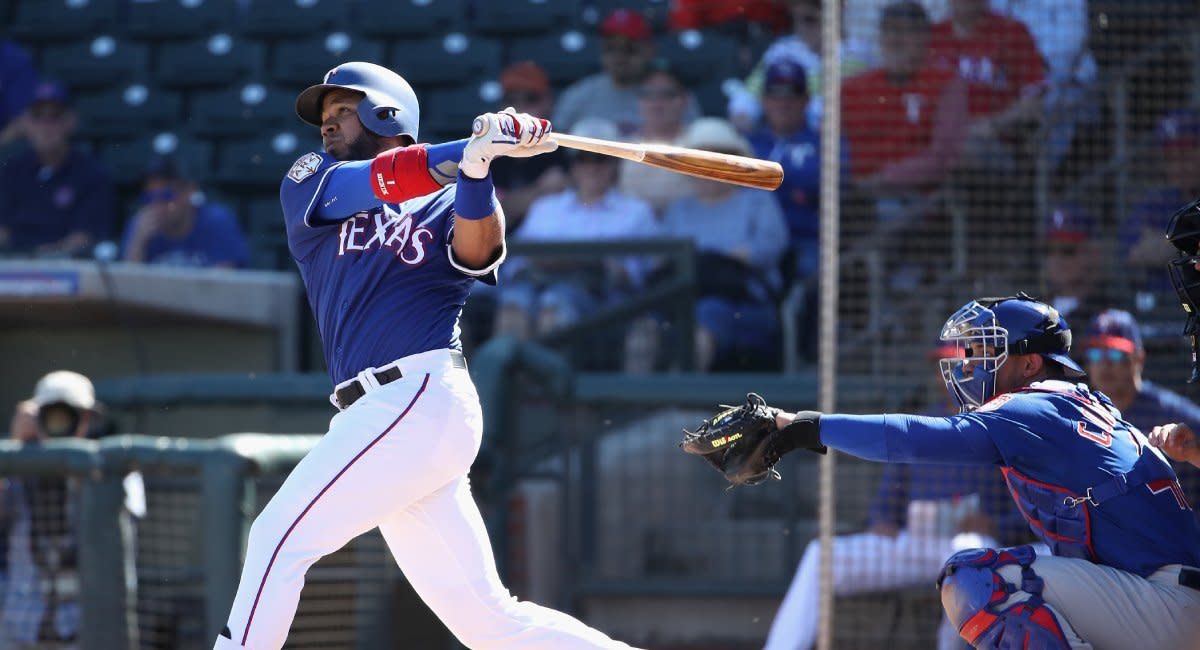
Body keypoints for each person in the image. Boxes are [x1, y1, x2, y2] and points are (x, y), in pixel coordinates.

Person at [211, 61, 640, 650]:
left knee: (275, 538)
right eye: (326, 116)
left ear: (386, 114)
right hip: (389, 415)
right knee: (490, 623)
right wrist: (472, 146)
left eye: (342, 111)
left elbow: (478, 251)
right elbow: (381, 180)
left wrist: (479, 167)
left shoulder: (449, 200)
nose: (328, 127)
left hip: (415, 394)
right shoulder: (311, 179)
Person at [750, 293, 1200, 649]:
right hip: (1161, 598)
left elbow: (911, 437)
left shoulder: (1033, 405)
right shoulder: (1081, 404)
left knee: (979, 579)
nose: (972, 364)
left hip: (1166, 605)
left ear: (1029, 363)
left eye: (989, 352)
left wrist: (804, 427)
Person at [763, 342, 1026, 650]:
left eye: (959, 366)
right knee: (820, 555)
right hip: (914, 546)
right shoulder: (922, 425)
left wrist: (996, 526)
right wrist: (882, 521)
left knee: (967, 553)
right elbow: (886, 502)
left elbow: (1030, 513)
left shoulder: (998, 426)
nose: (951, 376)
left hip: (971, 548)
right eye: (944, 368)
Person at [1, 371, 144, 650]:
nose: (59, 423)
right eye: (50, 414)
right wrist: (15, 450)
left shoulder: (111, 467)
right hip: (19, 627)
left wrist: (77, 470)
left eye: (71, 415)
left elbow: (121, 518)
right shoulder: (15, 463)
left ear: (89, 418)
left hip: (86, 629)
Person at [642, 118, 789, 372]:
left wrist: (731, 258)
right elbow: (658, 260)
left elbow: (770, 248)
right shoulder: (678, 209)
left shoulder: (757, 202)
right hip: (681, 297)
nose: (707, 168)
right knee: (644, 323)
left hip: (745, 302)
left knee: (707, 314)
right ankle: (633, 402)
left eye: (716, 159)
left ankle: (682, 399)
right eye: (698, 160)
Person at [494, 117, 658, 342]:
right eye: (583, 158)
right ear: (573, 165)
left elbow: (642, 275)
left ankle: (548, 377)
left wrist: (591, 264)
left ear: (615, 164)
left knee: (554, 305)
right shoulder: (545, 207)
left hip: (604, 302)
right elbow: (516, 263)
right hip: (536, 284)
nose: (592, 167)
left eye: (600, 158)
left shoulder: (637, 211)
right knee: (513, 304)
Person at [1082, 309, 1200, 515]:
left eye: (1115, 353)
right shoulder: (1081, 417)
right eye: (1096, 353)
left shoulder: (1178, 417)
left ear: (1138, 358)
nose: (1105, 364)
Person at [0, 80, 116, 258]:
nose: (45, 126)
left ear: (70, 122)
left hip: (68, 269)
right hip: (13, 266)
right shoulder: (11, 170)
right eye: (37, 116)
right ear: (25, 123)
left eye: (54, 117)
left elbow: (86, 237)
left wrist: (46, 256)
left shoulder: (92, 174)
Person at [553, 9, 700, 136]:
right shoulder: (580, 95)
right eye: (611, 48)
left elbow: (695, 141)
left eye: (629, 49)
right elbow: (558, 148)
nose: (619, 57)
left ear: (649, 50)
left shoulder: (672, 95)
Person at [1121, 109, 1200, 305]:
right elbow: (1135, 253)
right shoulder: (1157, 202)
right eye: (1170, 158)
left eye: (1185, 155)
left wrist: (1166, 241)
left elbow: (1155, 250)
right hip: (1165, 308)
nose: (1178, 166)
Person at [120, 153, 250, 268]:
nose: (157, 204)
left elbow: (224, 285)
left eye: (166, 195)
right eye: (149, 197)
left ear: (190, 192)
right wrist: (138, 243)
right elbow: (128, 290)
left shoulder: (217, 221)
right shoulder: (140, 225)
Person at [489, 61, 569, 230]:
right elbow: (491, 210)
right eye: (511, 99)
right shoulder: (490, 150)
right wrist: (540, 191)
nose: (520, 107)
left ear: (548, 101)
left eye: (530, 98)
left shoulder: (562, 147)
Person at [617, 59, 694, 215]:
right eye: (647, 94)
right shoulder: (621, 147)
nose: (656, 103)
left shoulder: (701, 143)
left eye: (667, 95)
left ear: (685, 100)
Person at [1040, 204, 1111, 334]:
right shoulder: (1035, 311)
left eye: (1068, 251)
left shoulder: (1108, 314)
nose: (1057, 259)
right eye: (1049, 251)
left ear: (1092, 254)